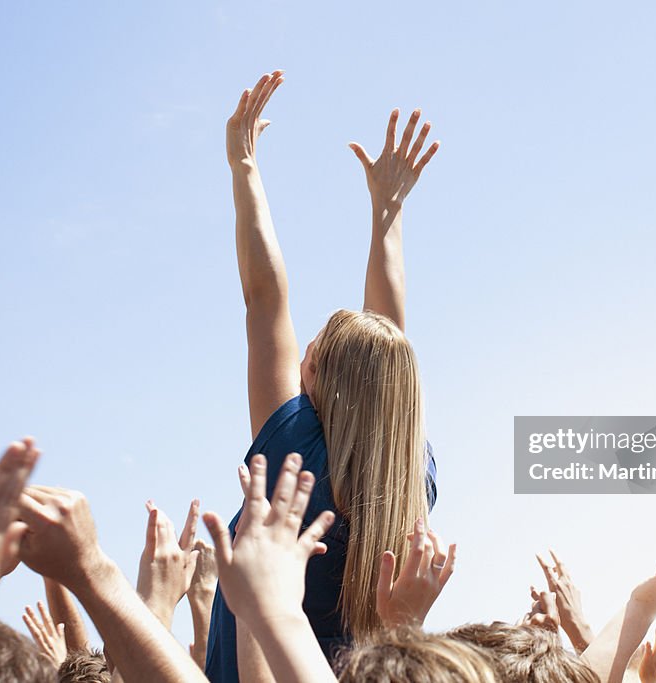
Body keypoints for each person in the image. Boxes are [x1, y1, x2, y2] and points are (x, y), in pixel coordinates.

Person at [207, 70, 442, 679]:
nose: (298, 352)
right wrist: (387, 214)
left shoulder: (295, 457)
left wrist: (244, 167)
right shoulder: (412, 476)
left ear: (318, 378)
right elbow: (387, 359)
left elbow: (265, 298)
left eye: (308, 349)